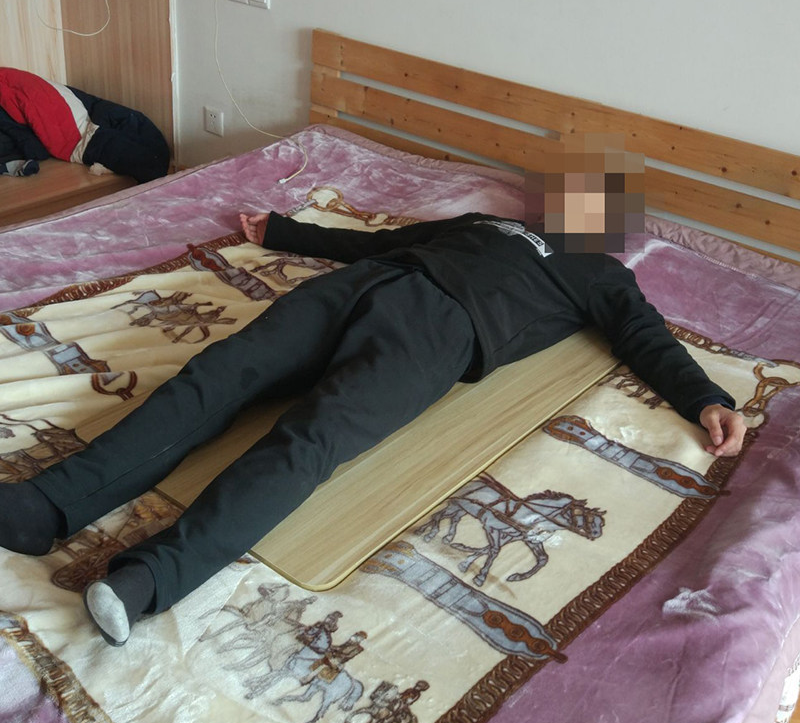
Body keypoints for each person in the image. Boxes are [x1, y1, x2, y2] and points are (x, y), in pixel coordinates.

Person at [0, 164, 746, 647]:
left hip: (440, 335)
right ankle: (46, 506)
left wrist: (706, 398)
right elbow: (383, 241)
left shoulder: (603, 275)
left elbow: (647, 339)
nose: (570, 205)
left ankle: (151, 578)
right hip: (367, 286)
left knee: (310, 441)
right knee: (218, 375)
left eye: (592, 203)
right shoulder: (480, 224)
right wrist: (287, 232)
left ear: (609, 224)